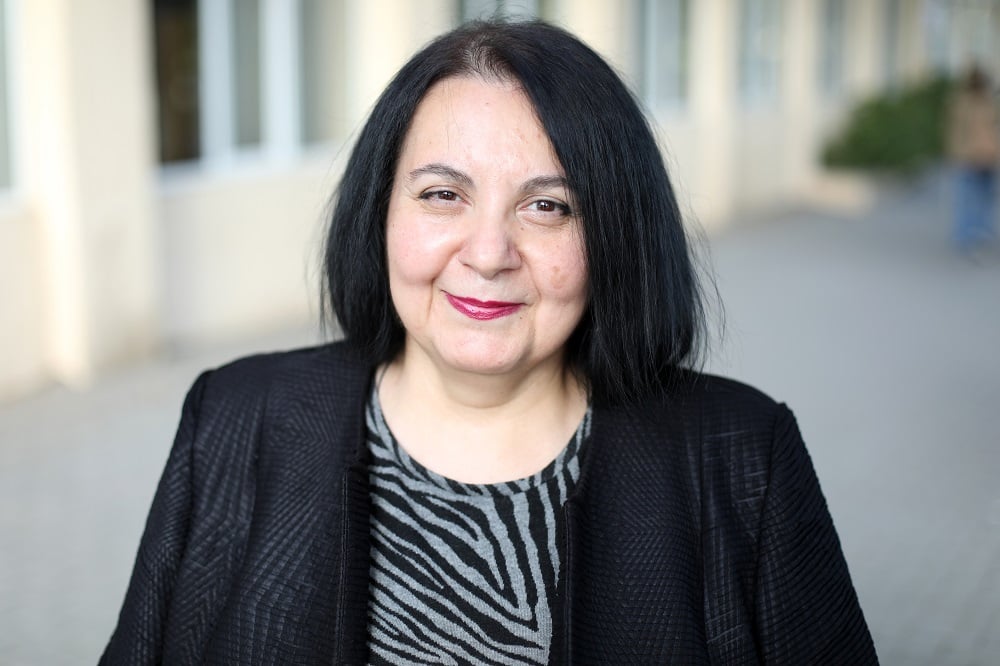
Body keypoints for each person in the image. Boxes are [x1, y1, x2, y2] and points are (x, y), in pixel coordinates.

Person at [100, 20, 877, 665]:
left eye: (548, 207)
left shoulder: (742, 454)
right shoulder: (233, 419)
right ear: (382, 212)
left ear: (614, 235)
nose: (488, 252)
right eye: (443, 195)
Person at [947, 62, 1000, 253]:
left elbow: (994, 129)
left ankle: (980, 233)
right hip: (969, 157)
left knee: (984, 197)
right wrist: (957, 153)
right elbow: (956, 131)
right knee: (968, 198)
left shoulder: (988, 101)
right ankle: (966, 236)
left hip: (987, 157)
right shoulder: (963, 102)